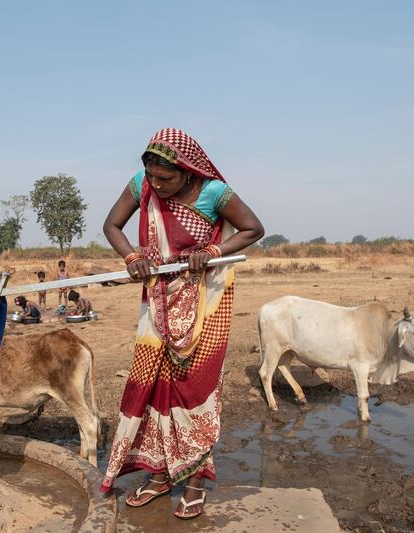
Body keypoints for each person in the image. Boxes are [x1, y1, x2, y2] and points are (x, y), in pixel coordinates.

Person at [101, 128, 264, 519]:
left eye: (167, 179)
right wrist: (131, 257)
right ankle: (159, 476)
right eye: (153, 178)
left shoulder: (214, 192)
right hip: (156, 301)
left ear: (189, 172)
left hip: (207, 303)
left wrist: (212, 251)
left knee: (196, 391)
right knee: (155, 385)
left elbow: (253, 229)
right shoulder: (142, 184)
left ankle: (194, 482)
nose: (157, 186)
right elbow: (112, 226)